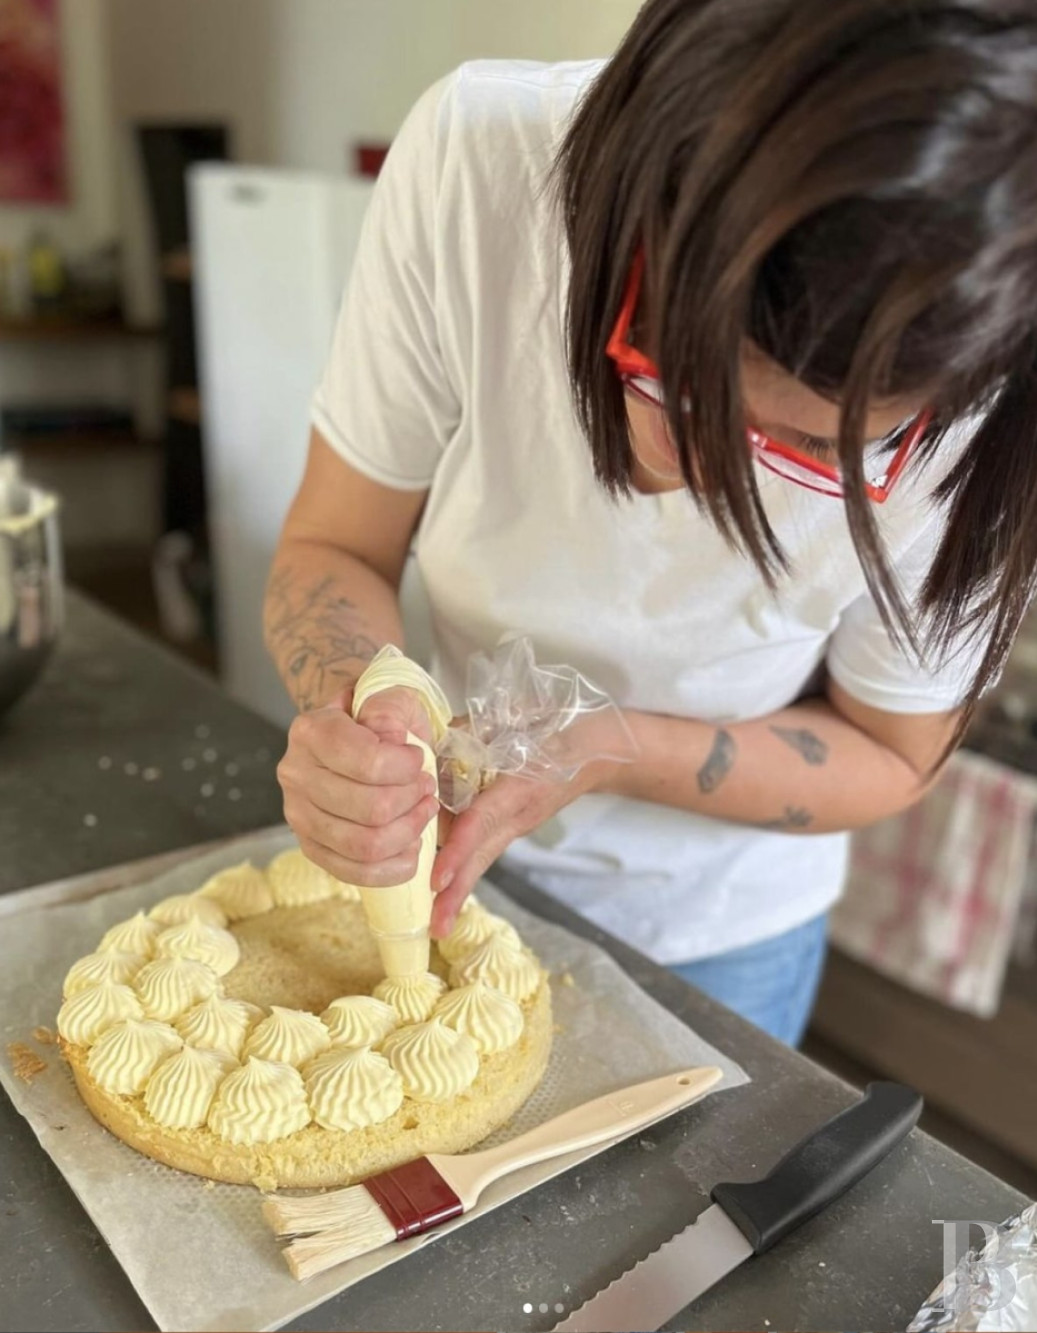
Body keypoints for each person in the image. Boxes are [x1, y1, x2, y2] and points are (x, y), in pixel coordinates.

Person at [265, 0, 1037, 1046]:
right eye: (673, 379)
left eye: (809, 448)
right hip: (458, 872)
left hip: (723, 930)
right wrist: (364, 705)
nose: (698, 471)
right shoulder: (483, 164)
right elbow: (334, 544)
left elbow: (891, 754)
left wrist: (603, 747)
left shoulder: (993, 377)